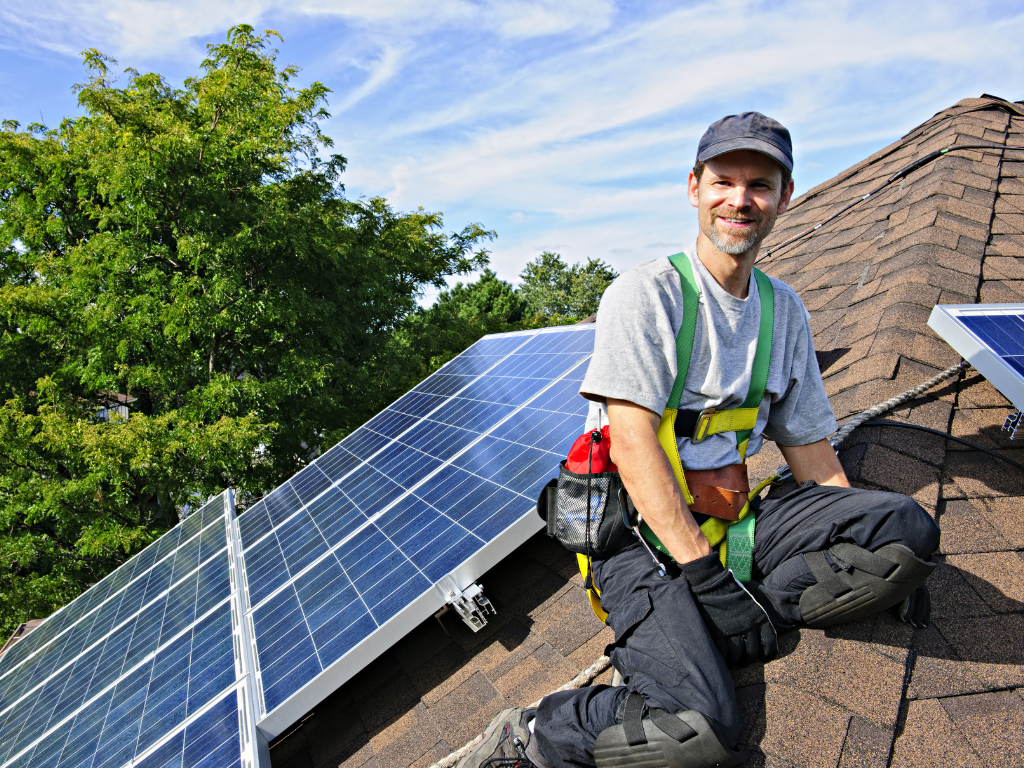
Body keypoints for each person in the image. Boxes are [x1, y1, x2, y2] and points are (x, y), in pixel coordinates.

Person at [458, 112, 940, 768]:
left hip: (731, 519)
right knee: (697, 733)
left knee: (909, 528)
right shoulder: (647, 296)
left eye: (760, 185)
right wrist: (707, 579)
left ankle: (716, 624)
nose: (740, 200)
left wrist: (866, 542)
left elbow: (811, 455)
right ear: (694, 187)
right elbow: (631, 446)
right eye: (724, 181)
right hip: (638, 542)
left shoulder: (783, 310)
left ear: (784, 197)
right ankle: (535, 733)